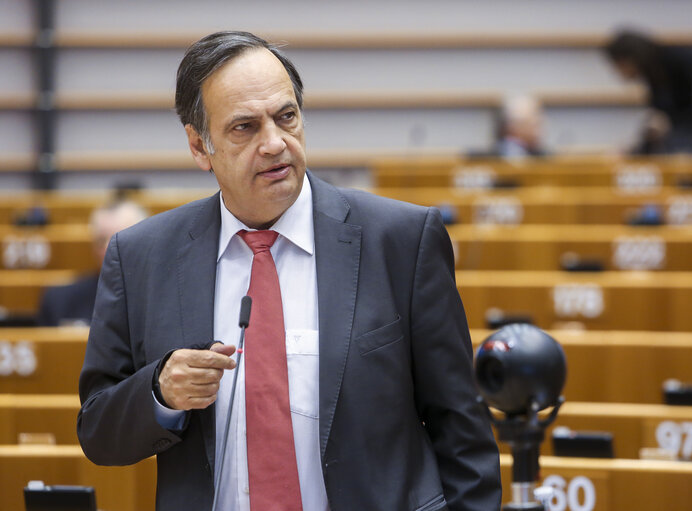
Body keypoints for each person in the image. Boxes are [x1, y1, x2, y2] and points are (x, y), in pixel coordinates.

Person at [77, 31, 501, 511]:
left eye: (286, 117)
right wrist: (159, 392)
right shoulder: (141, 258)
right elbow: (97, 431)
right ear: (199, 146)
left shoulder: (401, 240)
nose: (275, 143)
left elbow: (462, 428)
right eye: (244, 127)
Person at [37, 200, 147, 326]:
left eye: (120, 239)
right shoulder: (60, 301)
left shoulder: (167, 299)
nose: (107, 248)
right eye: (101, 240)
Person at [605, 29, 692, 153]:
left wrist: (670, 124)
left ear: (629, 59)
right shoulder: (652, 75)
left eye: (619, 66)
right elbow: (659, 119)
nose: (620, 73)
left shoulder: (678, 59)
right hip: (683, 131)